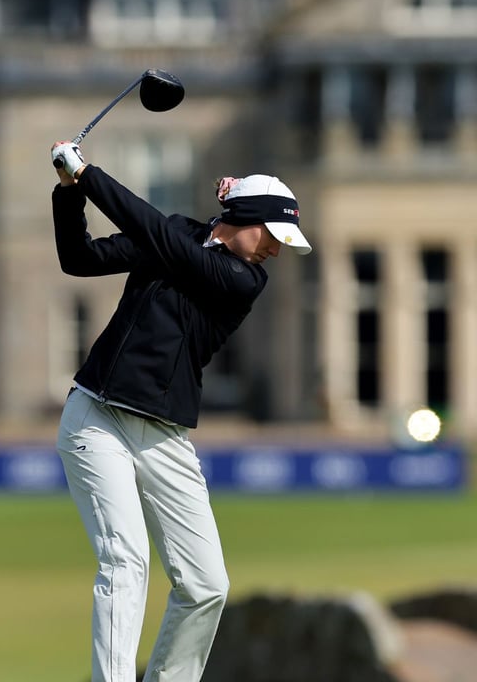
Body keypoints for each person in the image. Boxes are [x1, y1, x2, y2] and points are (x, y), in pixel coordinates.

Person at [48, 141, 310, 682]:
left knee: (206, 584)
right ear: (246, 220)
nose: (276, 253)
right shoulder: (179, 235)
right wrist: (70, 193)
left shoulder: (244, 280)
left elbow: (167, 242)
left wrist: (90, 173)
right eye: (273, 237)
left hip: (163, 437)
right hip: (97, 419)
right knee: (125, 561)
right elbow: (81, 259)